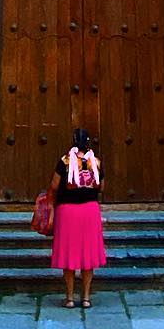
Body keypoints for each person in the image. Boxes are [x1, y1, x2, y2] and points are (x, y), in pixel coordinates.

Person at [47, 127, 106, 308]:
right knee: (88, 255)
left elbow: (54, 186)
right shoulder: (96, 162)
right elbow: (101, 187)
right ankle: (86, 298)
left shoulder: (65, 161)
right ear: (88, 142)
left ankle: (70, 298)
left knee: (69, 255)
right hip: (90, 211)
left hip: (68, 212)